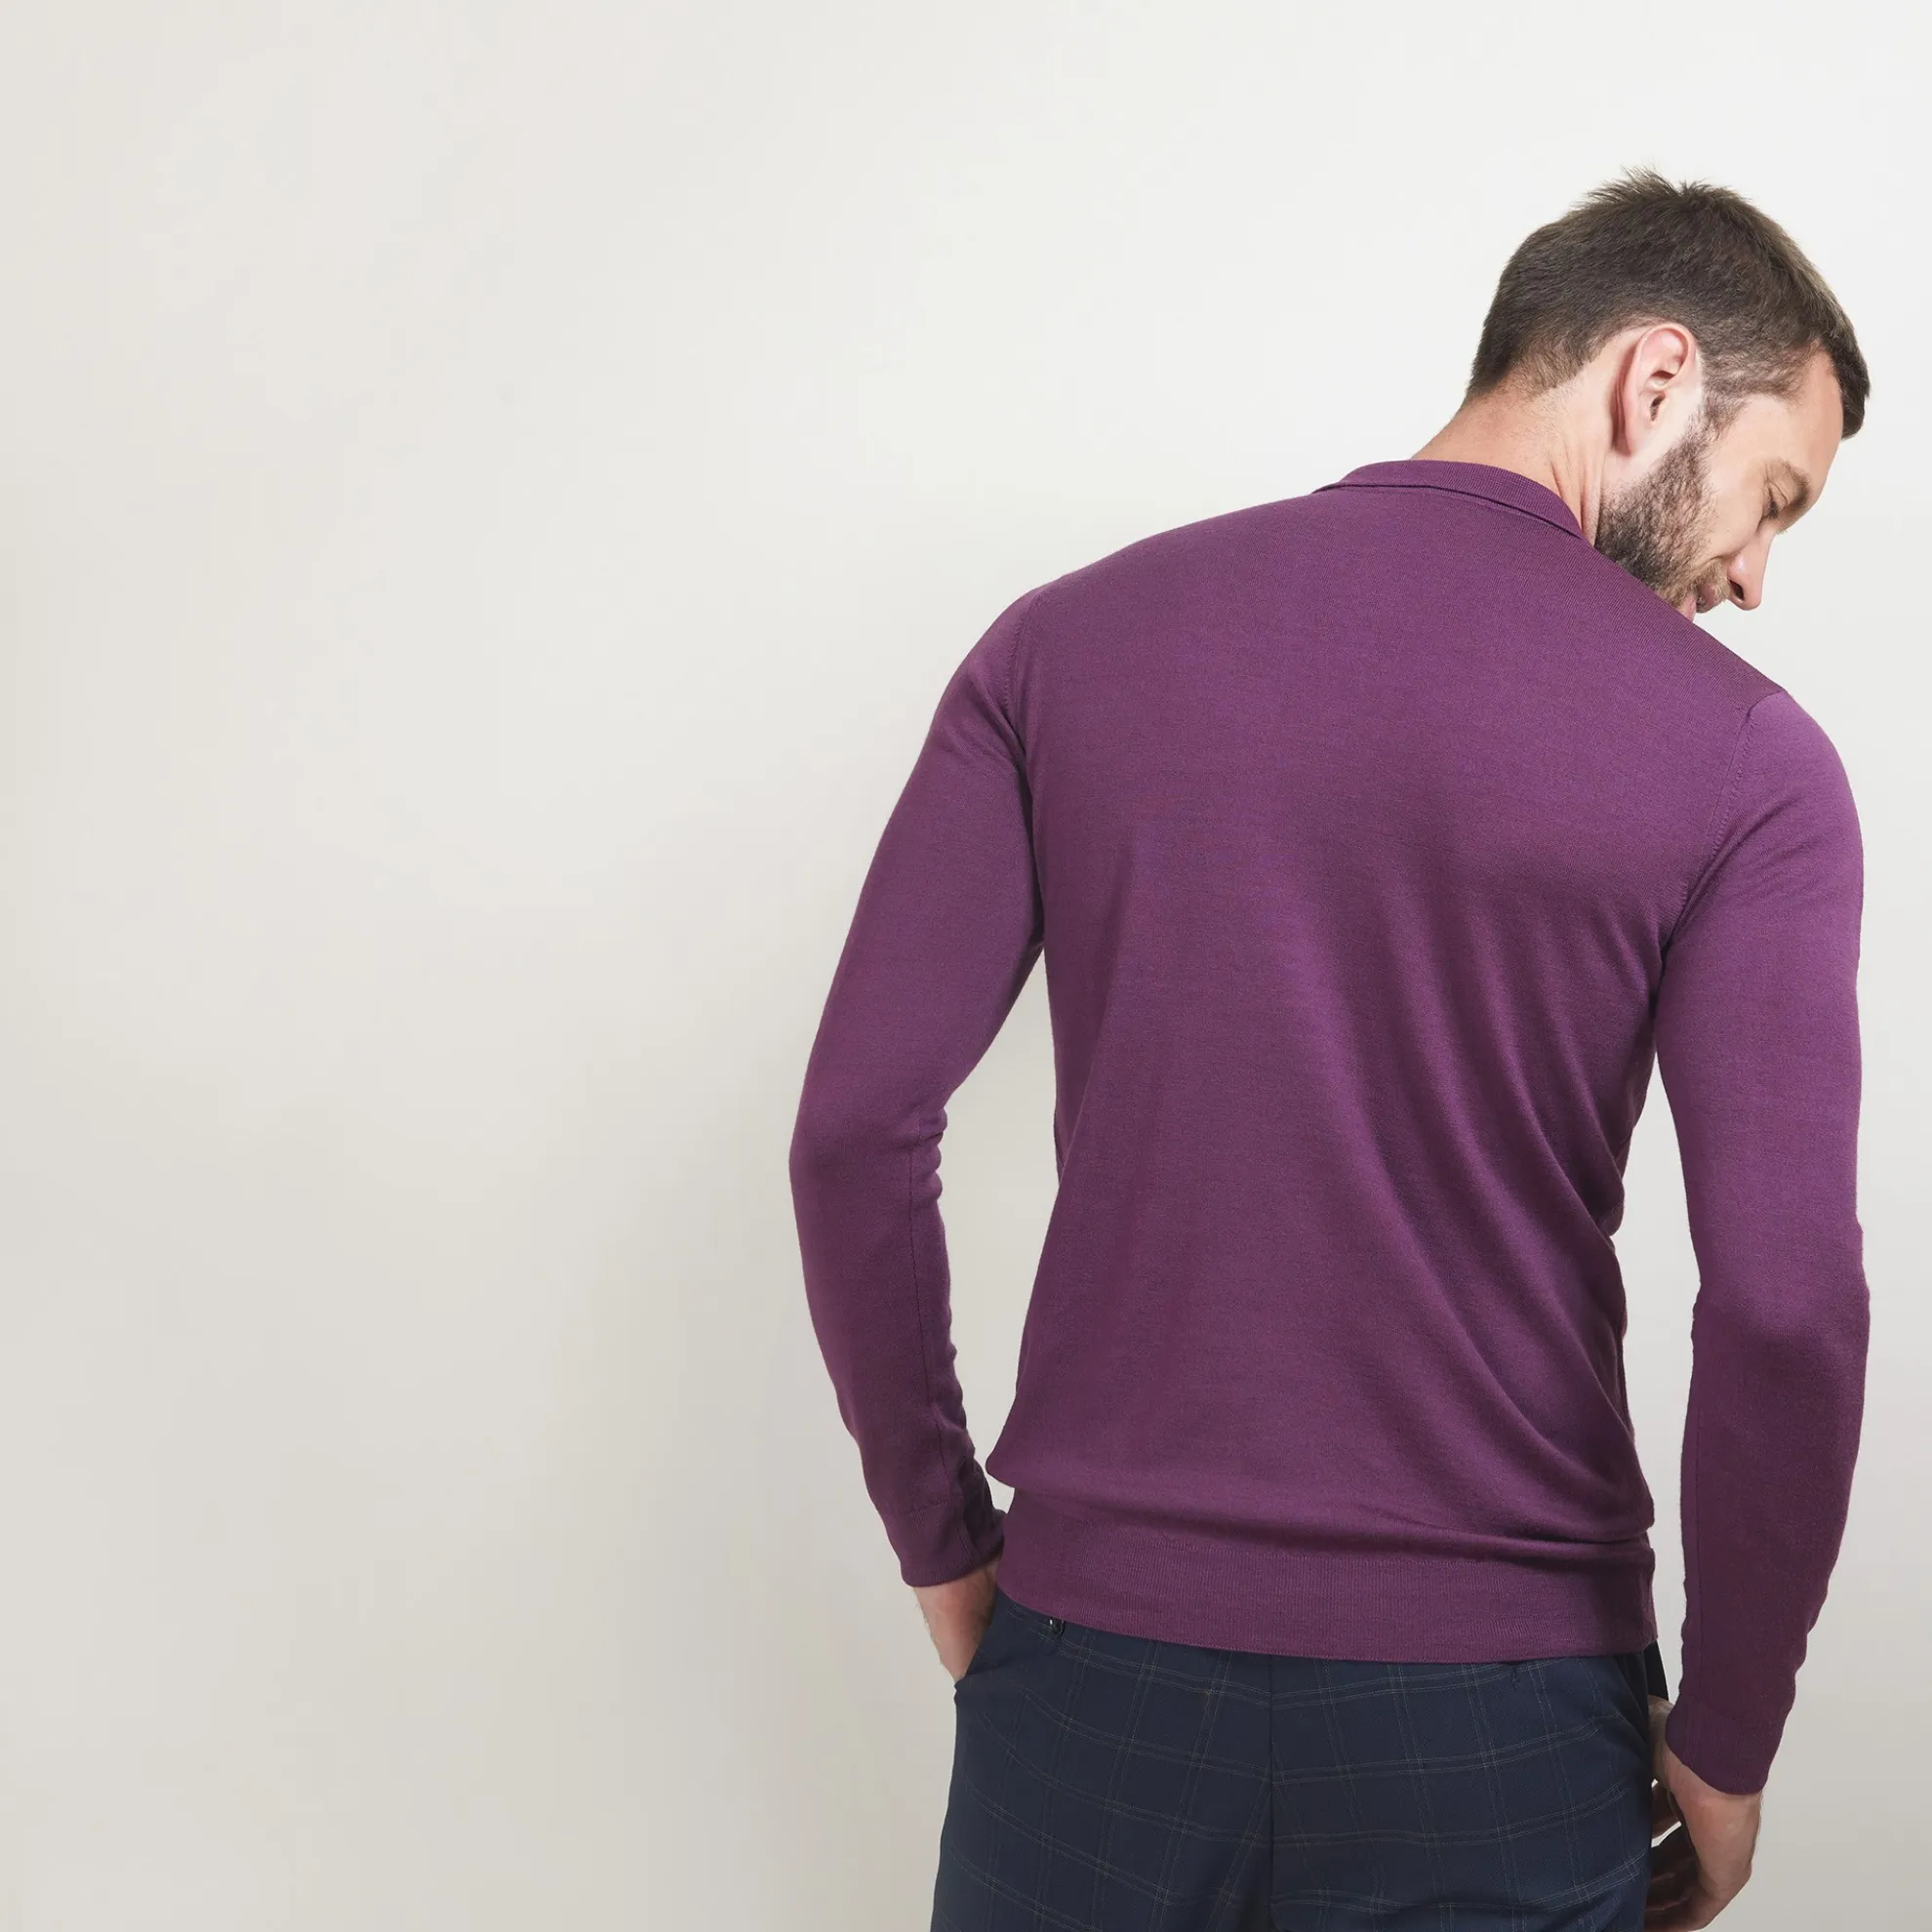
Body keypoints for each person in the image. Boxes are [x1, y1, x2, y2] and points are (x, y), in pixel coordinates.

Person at [786, 169, 1872, 1932]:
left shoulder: (1064, 646)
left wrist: (950, 1555)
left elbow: (852, 1130)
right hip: (1503, 1730)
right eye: (1774, 499)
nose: (1753, 576)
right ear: (1655, 379)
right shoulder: (1750, 762)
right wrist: (1729, 1741)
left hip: (1088, 1688)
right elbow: (1785, 1306)